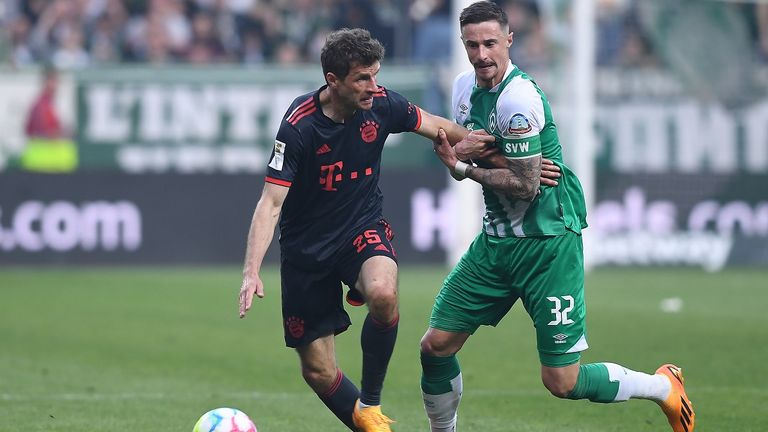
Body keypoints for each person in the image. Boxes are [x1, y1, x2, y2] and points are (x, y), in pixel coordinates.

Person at [236, 28, 564, 432]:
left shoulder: (382, 103)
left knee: (384, 293)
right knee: (318, 371)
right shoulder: (299, 126)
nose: (374, 86)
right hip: (307, 249)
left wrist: (510, 160)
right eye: (362, 78)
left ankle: (370, 402)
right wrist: (252, 270)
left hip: (361, 227)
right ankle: (370, 424)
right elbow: (270, 203)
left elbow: (438, 126)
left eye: (376, 74)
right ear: (333, 81)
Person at [419, 3, 695, 432]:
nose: (481, 54)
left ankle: (663, 387)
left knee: (561, 381)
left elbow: (527, 187)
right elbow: (478, 157)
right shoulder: (461, 89)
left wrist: (462, 165)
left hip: (548, 245)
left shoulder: (518, 98)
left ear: (509, 40)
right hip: (495, 243)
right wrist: (471, 157)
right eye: (472, 45)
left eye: (490, 42)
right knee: (435, 346)